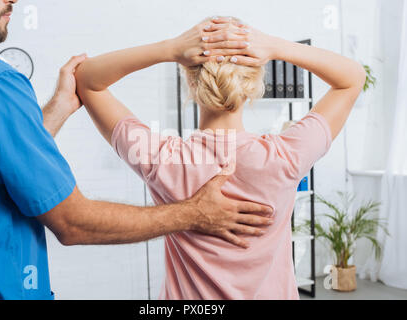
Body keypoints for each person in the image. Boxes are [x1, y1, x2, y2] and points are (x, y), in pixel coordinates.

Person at [0, 0, 273, 300]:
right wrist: (195, 212)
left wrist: (61, 106)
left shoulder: (161, 156)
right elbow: (72, 222)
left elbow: (0, 152)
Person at [75, 17, 366, 299]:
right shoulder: (285, 157)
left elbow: (88, 80)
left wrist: (169, 49)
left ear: (190, 83)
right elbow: (352, 79)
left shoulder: (162, 159)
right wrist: (276, 46)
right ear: (253, 86)